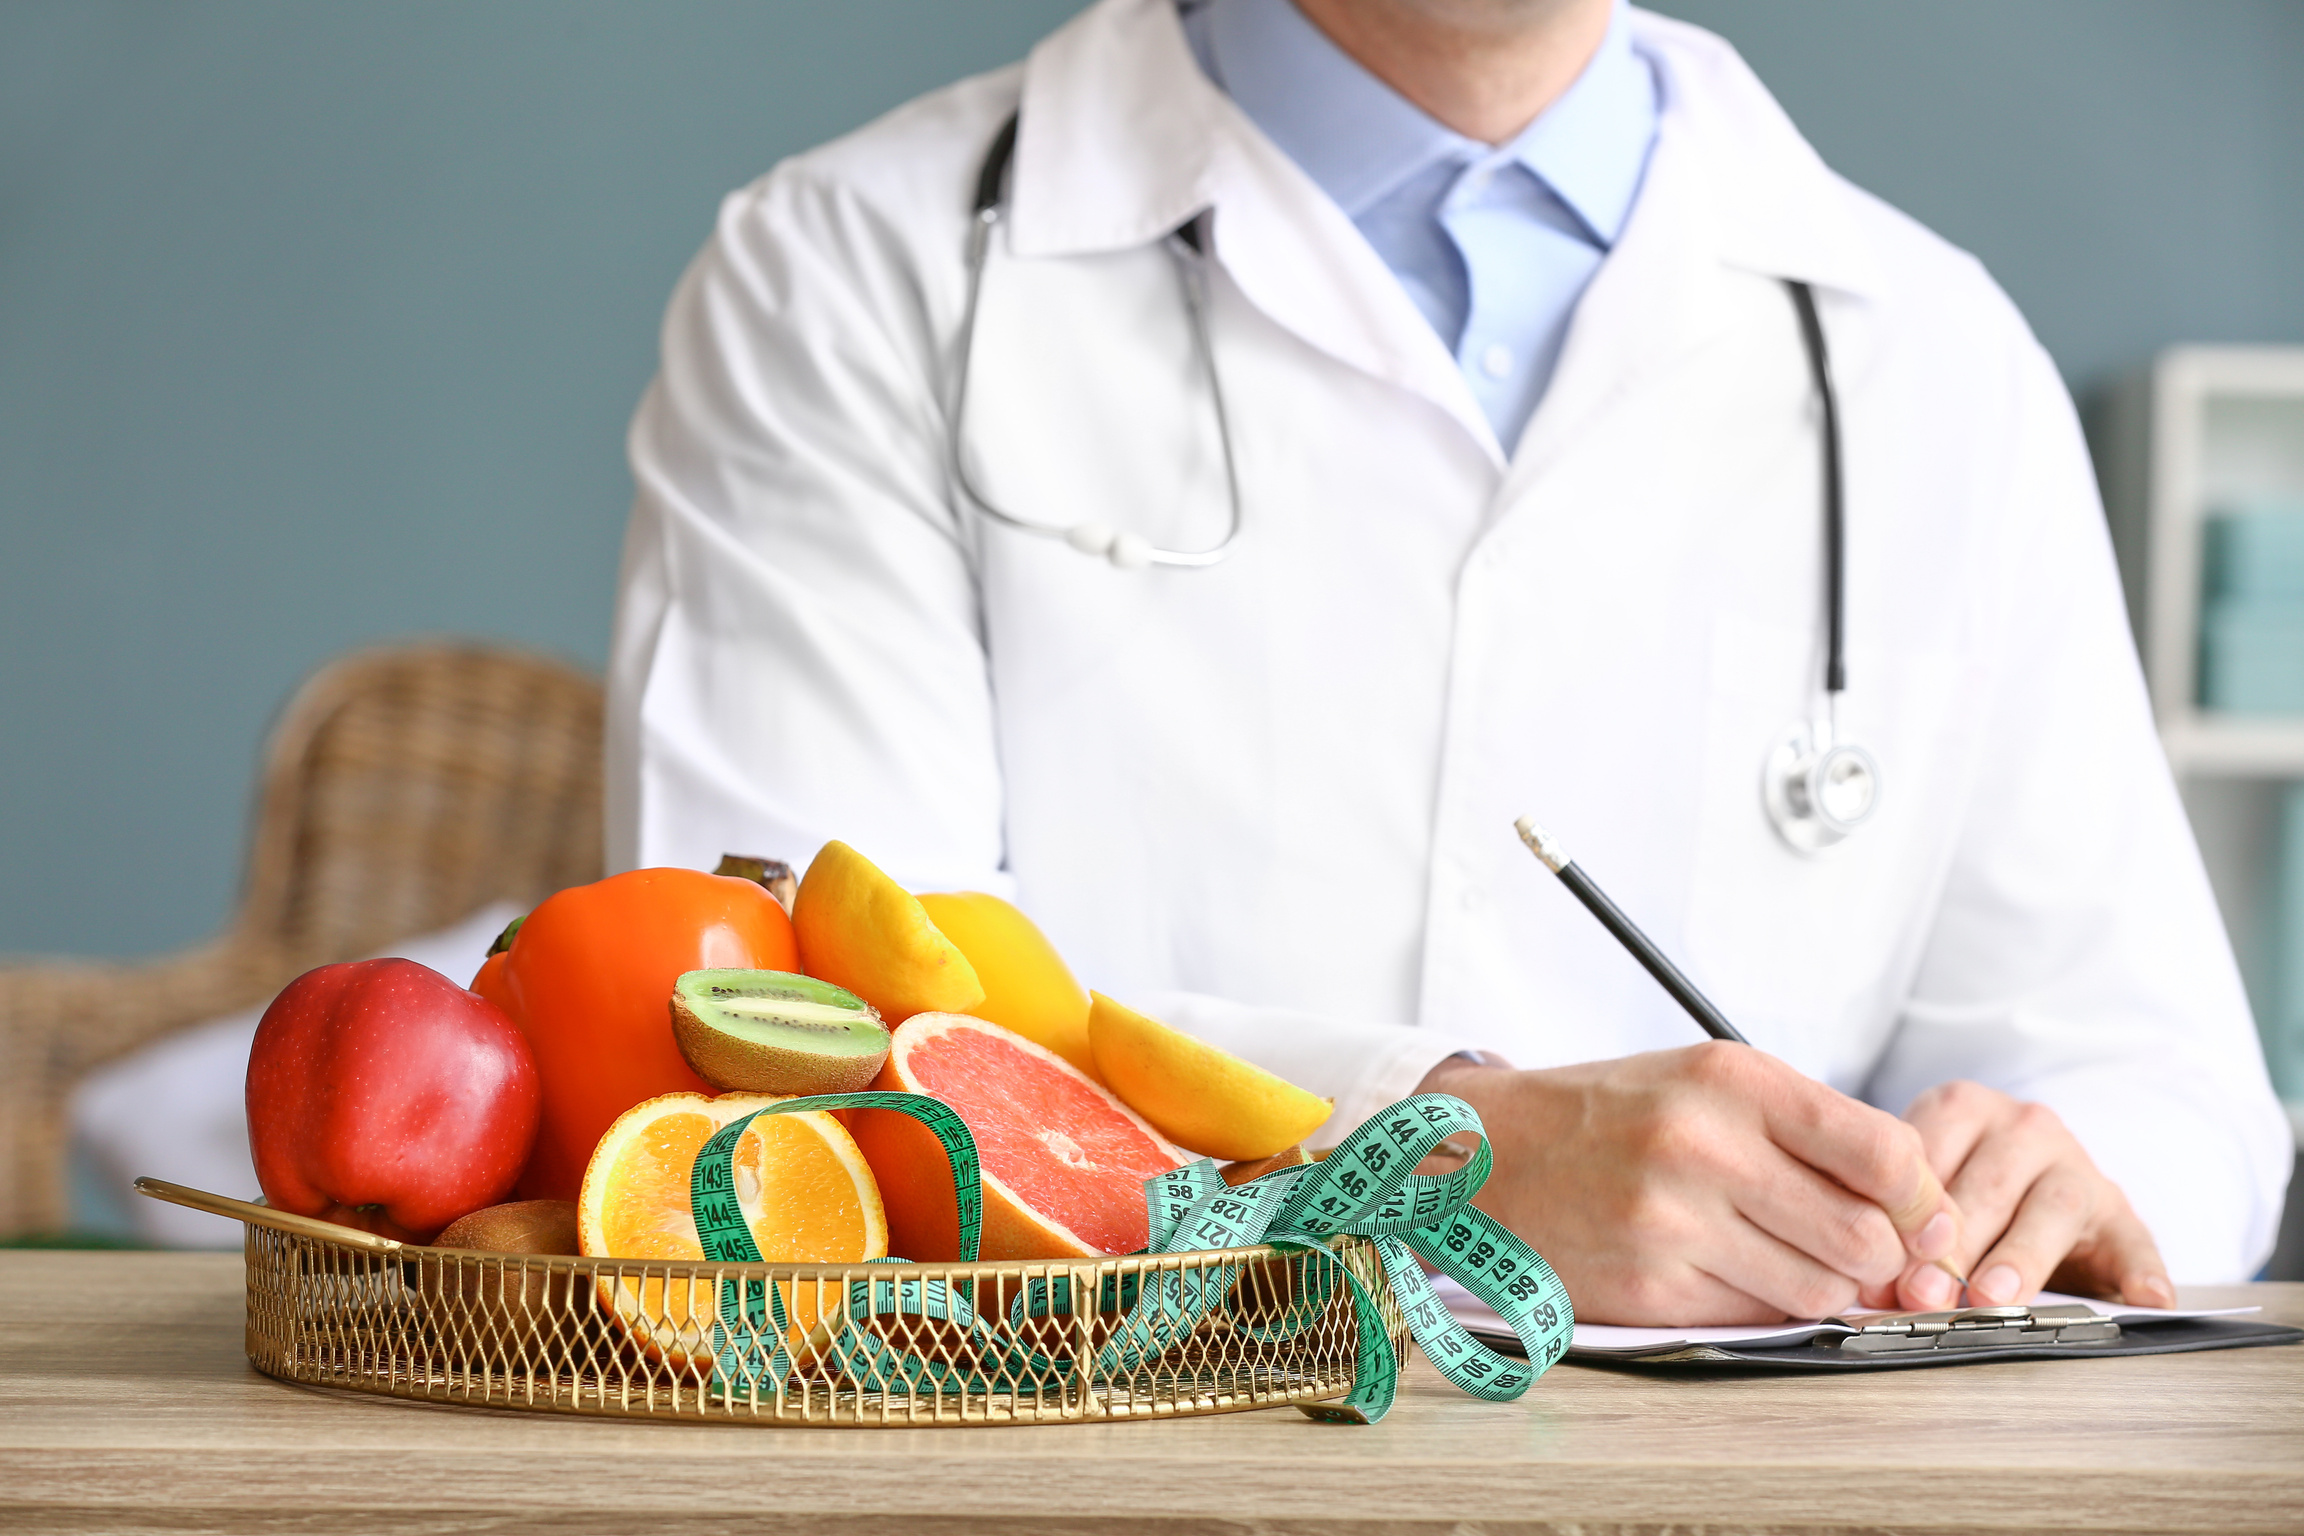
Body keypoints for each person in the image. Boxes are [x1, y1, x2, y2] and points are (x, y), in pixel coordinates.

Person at [606, 0, 2292, 1323]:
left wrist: (2038, 1196)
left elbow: (2158, 1080)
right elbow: (789, 1039)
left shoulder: (1934, 359)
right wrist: (1426, 1159)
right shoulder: (847, 279)